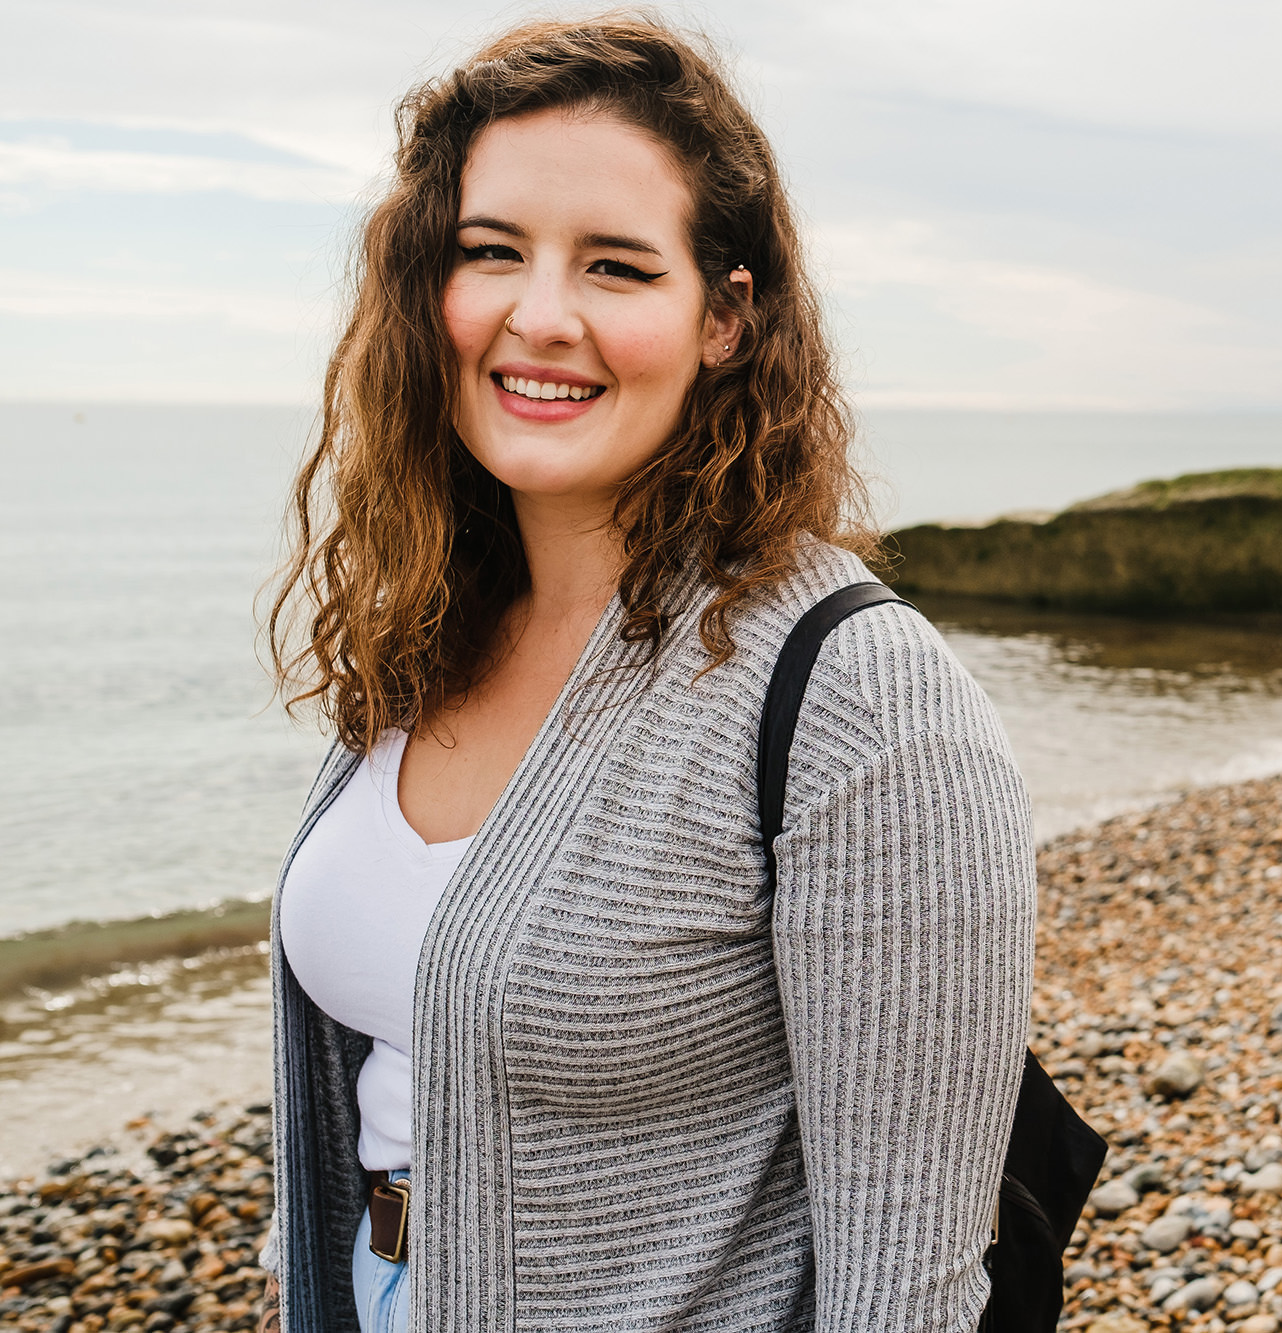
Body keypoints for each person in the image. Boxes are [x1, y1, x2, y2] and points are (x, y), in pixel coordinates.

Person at [258, 17, 1036, 1333]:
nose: (538, 315)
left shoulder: (862, 705)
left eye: (616, 267)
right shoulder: (435, 624)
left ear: (724, 316)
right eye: (489, 250)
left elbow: (906, 1290)